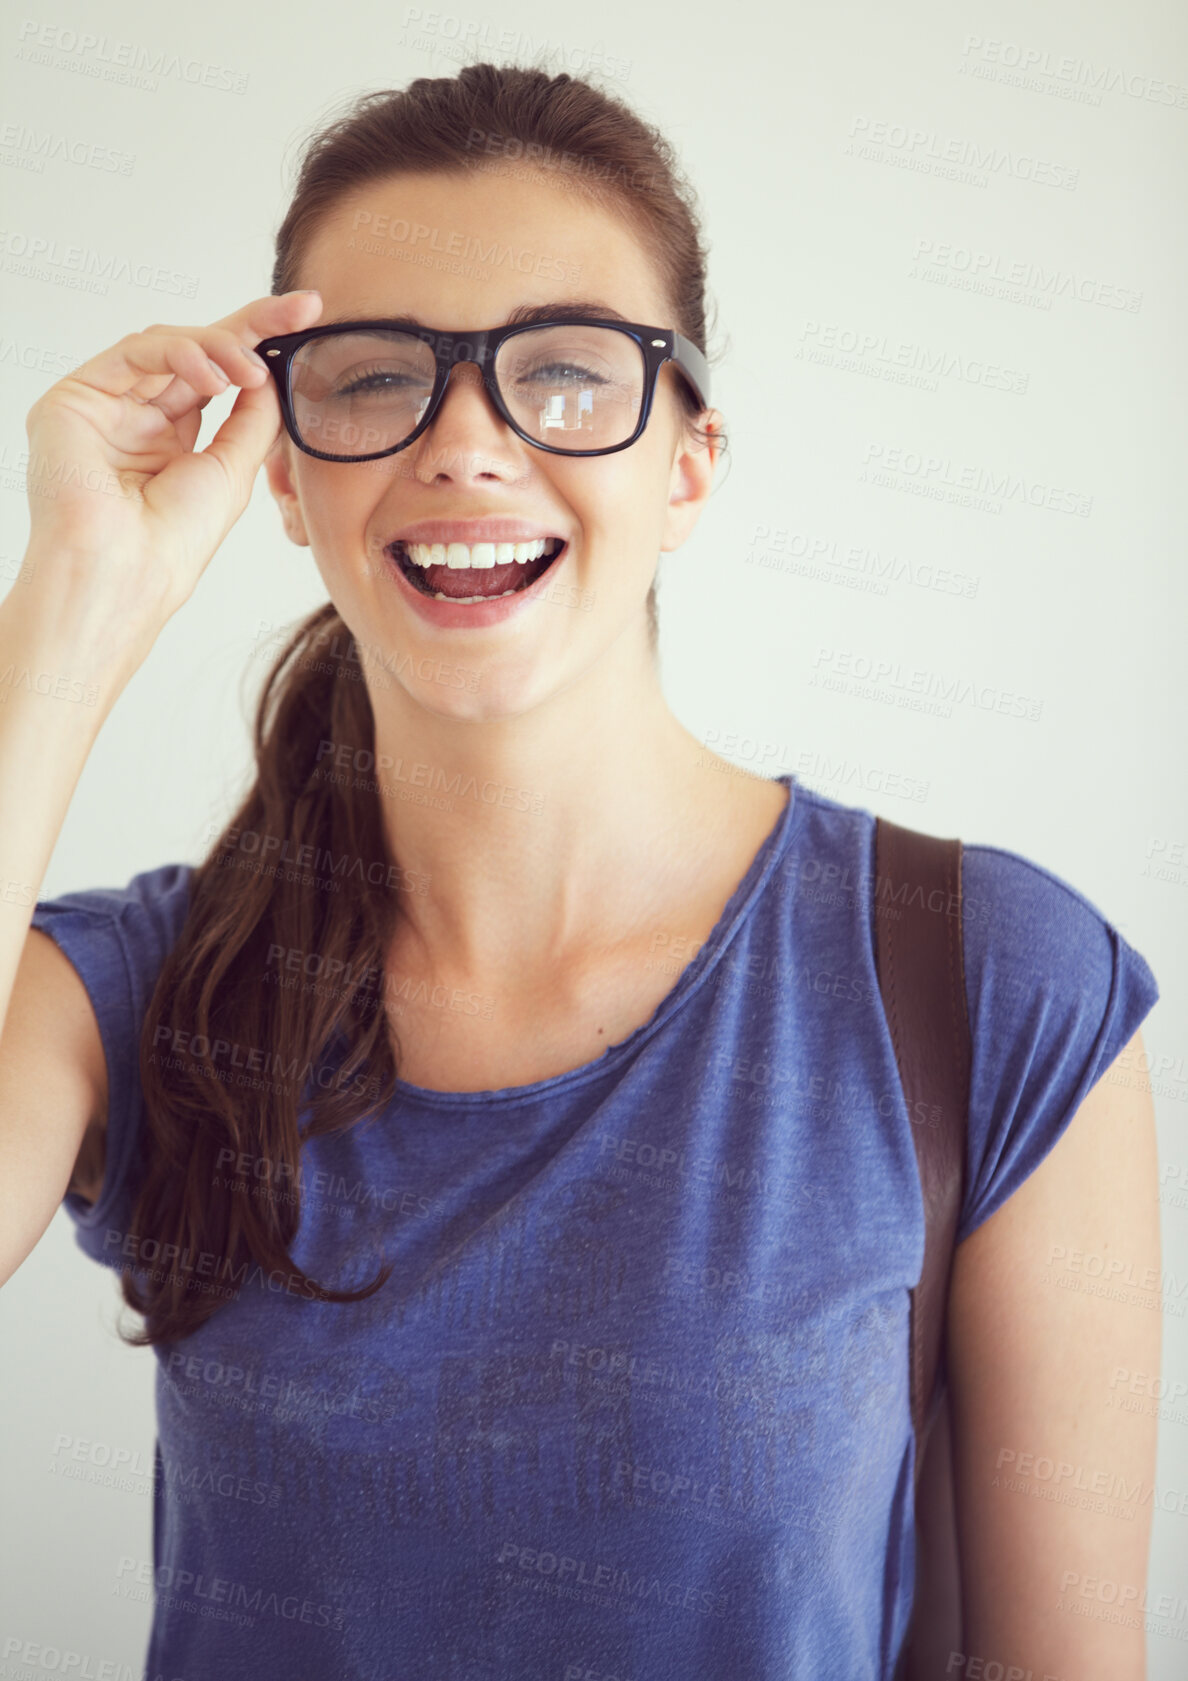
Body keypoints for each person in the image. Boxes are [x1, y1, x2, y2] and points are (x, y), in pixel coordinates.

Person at [0, 62, 1161, 1681]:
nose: (468, 444)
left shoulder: (989, 979)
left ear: (686, 461)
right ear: (281, 467)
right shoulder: (137, 990)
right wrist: (75, 597)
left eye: (561, 372)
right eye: (372, 378)